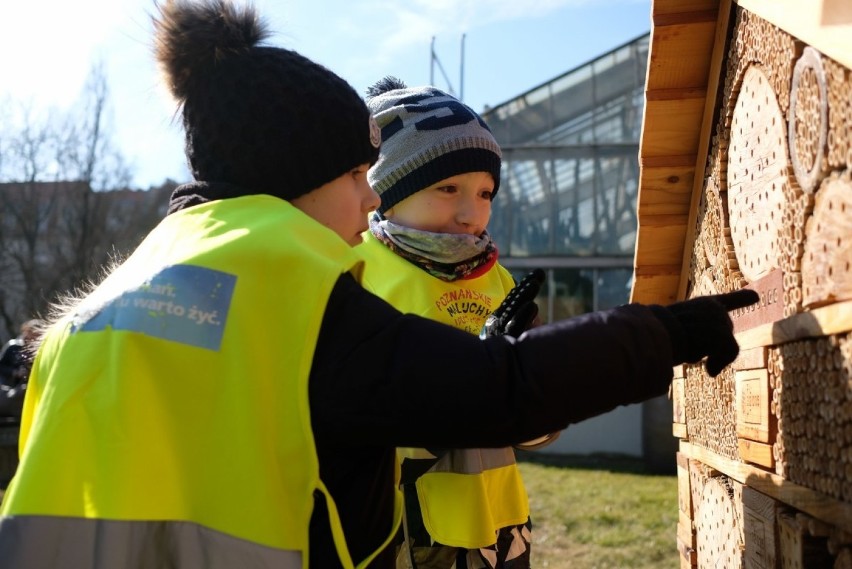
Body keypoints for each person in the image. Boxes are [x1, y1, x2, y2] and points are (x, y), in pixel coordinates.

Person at [0, 1, 759, 568]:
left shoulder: (103, 303)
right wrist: (668, 331)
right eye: (357, 175)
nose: (370, 198)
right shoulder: (292, 284)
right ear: (299, 175)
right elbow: (503, 389)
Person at [357, 77, 552, 569]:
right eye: (448, 188)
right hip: (403, 534)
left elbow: (536, 428)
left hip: (498, 527)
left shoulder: (496, 275)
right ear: (386, 193)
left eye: (486, 192)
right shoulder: (355, 266)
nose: (472, 213)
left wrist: (533, 380)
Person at [0, 319, 41, 423]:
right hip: (10, 387)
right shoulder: (14, 346)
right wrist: (15, 372)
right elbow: (1, 366)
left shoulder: (38, 348)